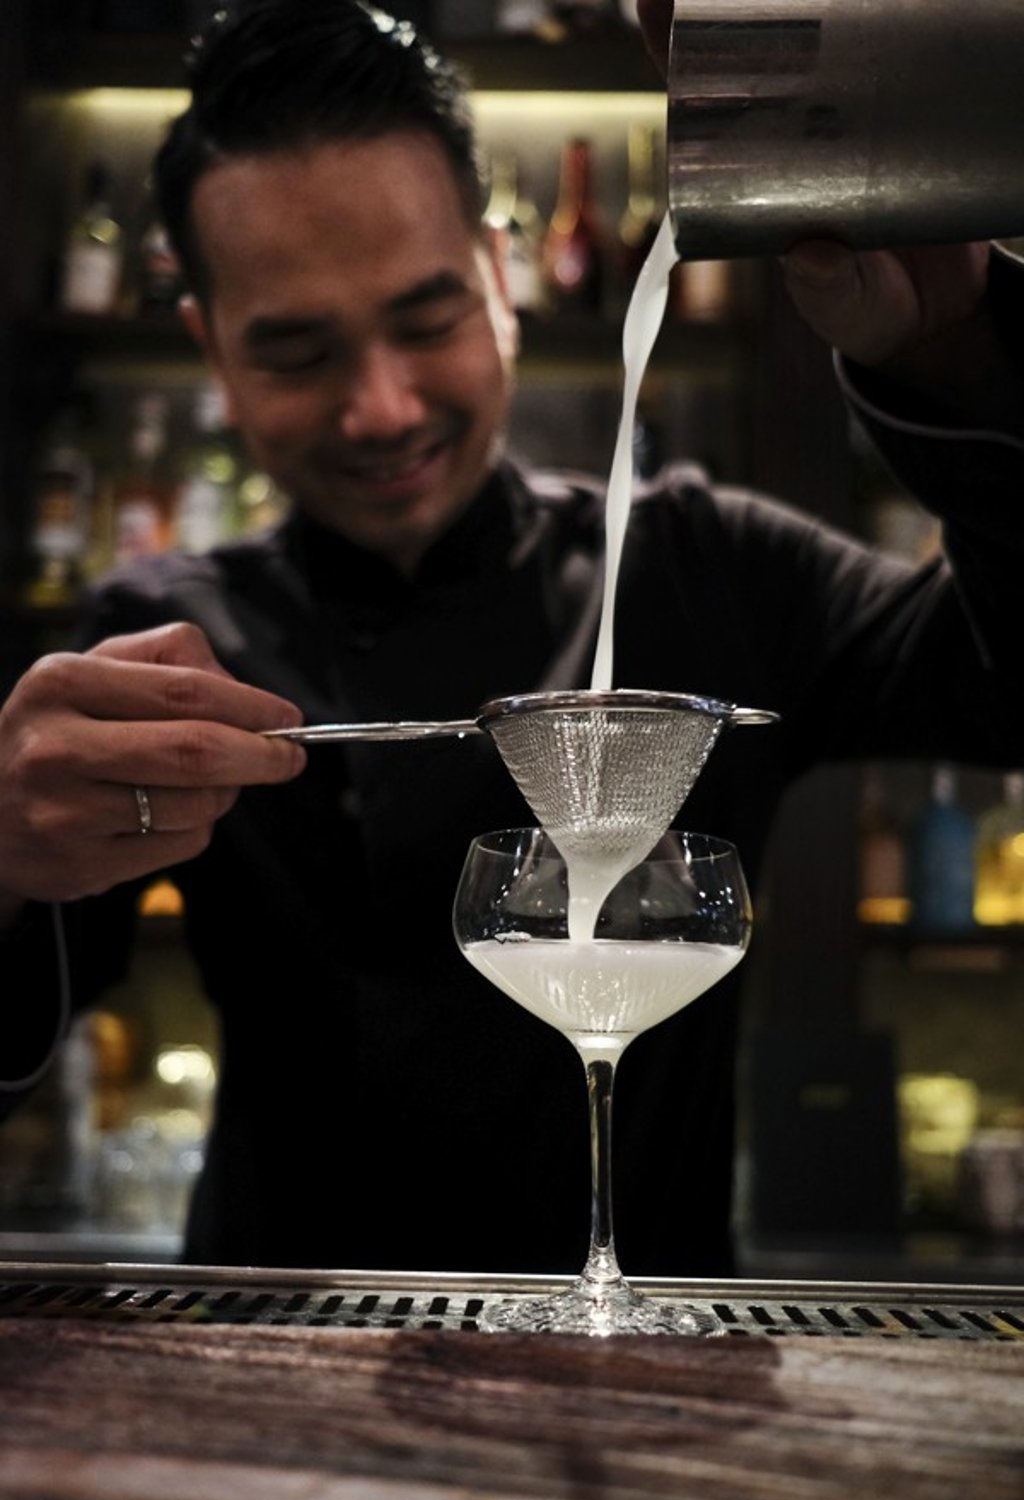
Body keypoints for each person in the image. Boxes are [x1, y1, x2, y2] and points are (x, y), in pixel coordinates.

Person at [1, 0, 1023, 1275]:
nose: (381, 407)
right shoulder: (160, 650)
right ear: (210, 347)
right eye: (298, 351)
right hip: (285, 1350)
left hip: (649, 1360)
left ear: (497, 277)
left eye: (426, 320)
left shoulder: (712, 567)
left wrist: (957, 355)